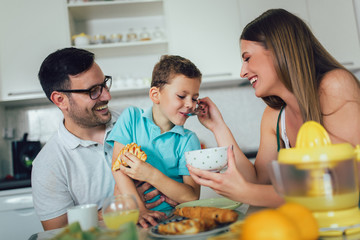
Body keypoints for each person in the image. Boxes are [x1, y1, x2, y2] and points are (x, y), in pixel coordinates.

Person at [187, 8, 360, 208]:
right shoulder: (275, 116)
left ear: (279, 50)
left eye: (247, 57)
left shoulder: (335, 85)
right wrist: (217, 126)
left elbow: (347, 180)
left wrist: (246, 192)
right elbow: (259, 181)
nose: (243, 71)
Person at [31, 47, 170, 231]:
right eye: (93, 91)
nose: (107, 95)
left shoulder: (134, 119)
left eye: (104, 84)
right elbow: (58, 232)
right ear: (60, 100)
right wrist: (118, 206)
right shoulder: (48, 165)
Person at [107, 55, 202, 228]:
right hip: (135, 219)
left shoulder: (188, 140)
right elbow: (118, 167)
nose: (190, 104)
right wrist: (139, 210)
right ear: (155, 95)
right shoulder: (131, 118)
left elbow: (191, 196)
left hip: (175, 220)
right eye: (181, 96)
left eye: (194, 98)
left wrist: (149, 173)